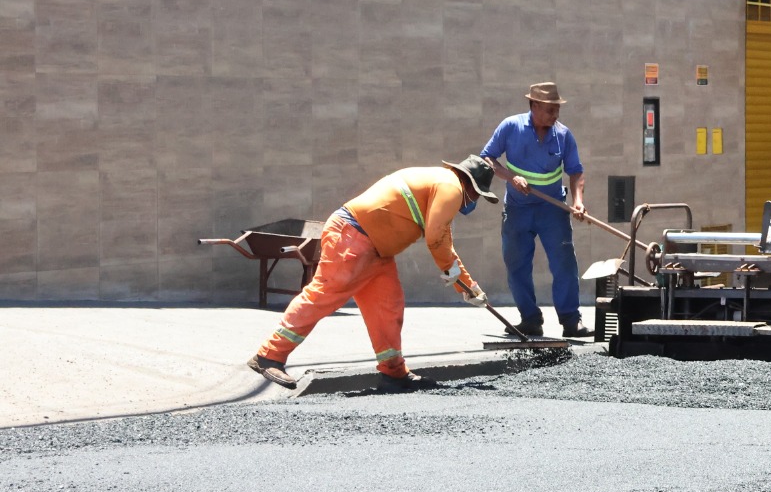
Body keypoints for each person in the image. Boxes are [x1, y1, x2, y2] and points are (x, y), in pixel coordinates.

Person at [247, 156, 498, 391]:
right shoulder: (451, 187)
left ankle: (393, 372)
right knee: (323, 295)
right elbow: (436, 239)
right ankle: (269, 356)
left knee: (388, 307)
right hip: (353, 237)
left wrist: (467, 285)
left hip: (375, 249)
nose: (475, 200)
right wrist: (457, 279)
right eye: (478, 195)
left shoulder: (441, 181)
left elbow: (443, 237)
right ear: (472, 185)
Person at [481, 82, 589, 338]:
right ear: (534, 106)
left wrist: (578, 201)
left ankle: (571, 321)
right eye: (550, 110)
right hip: (518, 210)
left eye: (557, 110)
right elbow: (487, 158)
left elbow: (575, 172)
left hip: (552, 210)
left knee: (564, 264)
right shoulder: (511, 127)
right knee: (516, 265)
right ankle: (530, 319)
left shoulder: (563, 135)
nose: (555, 116)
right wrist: (511, 178)